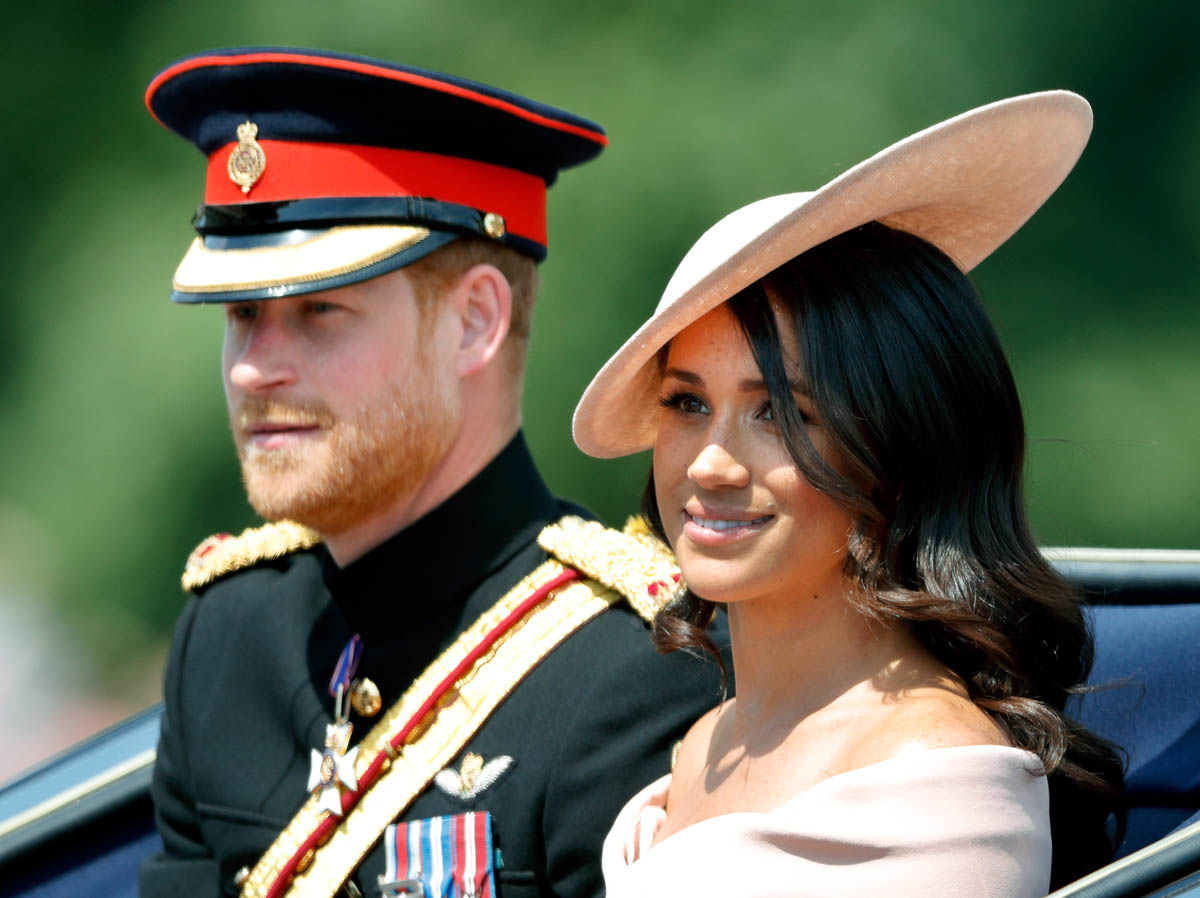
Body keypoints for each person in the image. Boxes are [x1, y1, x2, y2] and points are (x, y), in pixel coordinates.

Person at [137, 48, 725, 898]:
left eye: (318, 311)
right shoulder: (228, 637)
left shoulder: (641, 672)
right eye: (241, 316)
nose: (252, 370)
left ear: (475, 322)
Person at [573, 91, 1125, 897]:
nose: (711, 465)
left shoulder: (934, 775)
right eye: (688, 403)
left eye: (784, 413)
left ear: (900, 445)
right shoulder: (700, 744)